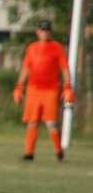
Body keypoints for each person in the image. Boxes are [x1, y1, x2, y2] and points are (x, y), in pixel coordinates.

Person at [13, 20, 74, 161]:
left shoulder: (56, 48)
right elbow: (26, 68)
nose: (44, 33)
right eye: (42, 30)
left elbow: (64, 68)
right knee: (32, 122)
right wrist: (19, 86)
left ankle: (59, 152)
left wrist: (67, 86)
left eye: (47, 31)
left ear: (50, 33)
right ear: (37, 32)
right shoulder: (32, 48)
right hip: (33, 89)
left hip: (50, 90)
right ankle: (29, 153)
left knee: (51, 122)